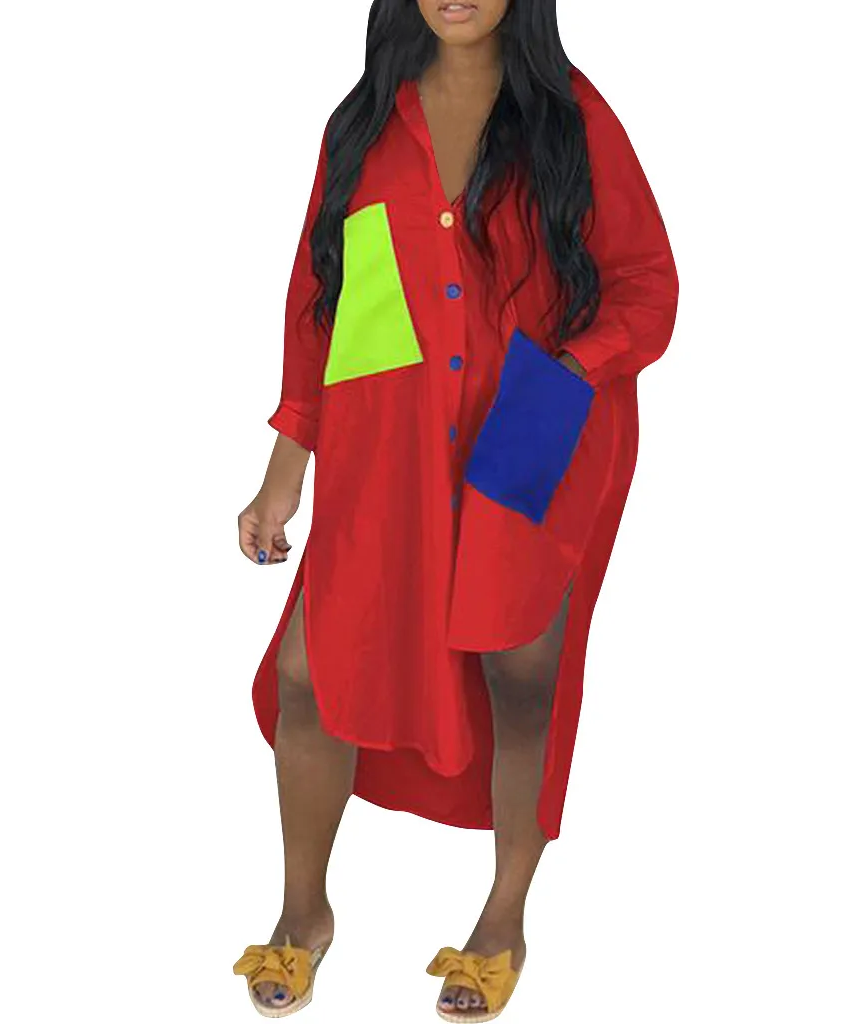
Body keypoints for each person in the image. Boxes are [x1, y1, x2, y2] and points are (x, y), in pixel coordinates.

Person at [234, 0, 679, 1018]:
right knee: (311, 672)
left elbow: (647, 284)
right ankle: (303, 913)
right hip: (386, 439)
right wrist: (286, 462)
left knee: (520, 675)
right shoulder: (363, 123)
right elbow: (324, 303)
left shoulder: (573, 118)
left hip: (529, 432)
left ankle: (503, 917)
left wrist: (566, 374)